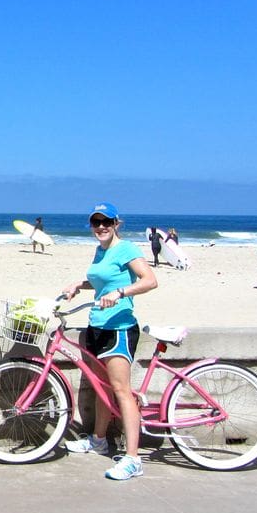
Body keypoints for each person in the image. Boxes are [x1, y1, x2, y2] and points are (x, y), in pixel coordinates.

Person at [61, 202, 157, 481]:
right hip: (97, 326)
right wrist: (78, 285)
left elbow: (150, 280)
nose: (101, 227)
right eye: (96, 222)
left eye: (107, 222)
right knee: (102, 388)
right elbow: (102, 281)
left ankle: (133, 458)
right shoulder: (101, 250)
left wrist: (120, 293)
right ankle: (99, 439)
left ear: (117, 223)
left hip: (119, 328)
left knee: (121, 391)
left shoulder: (125, 249)